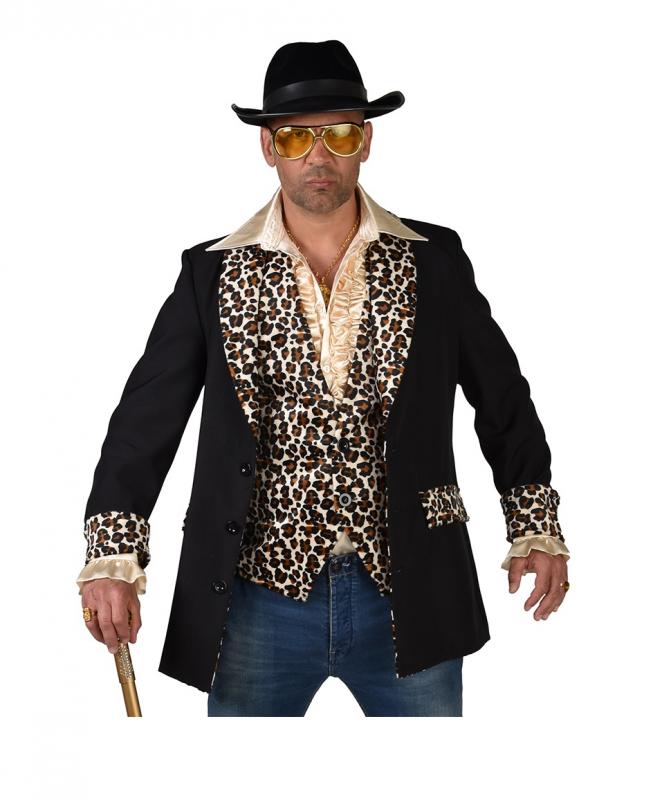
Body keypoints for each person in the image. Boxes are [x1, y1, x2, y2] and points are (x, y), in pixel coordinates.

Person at [77, 39, 571, 716]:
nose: (318, 155)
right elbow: (143, 424)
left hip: (412, 591)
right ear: (268, 147)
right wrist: (113, 559)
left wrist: (534, 526)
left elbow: (502, 398)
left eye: (338, 133)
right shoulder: (210, 272)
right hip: (257, 598)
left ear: (364, 141)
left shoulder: (434, 261)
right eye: (294, 136)